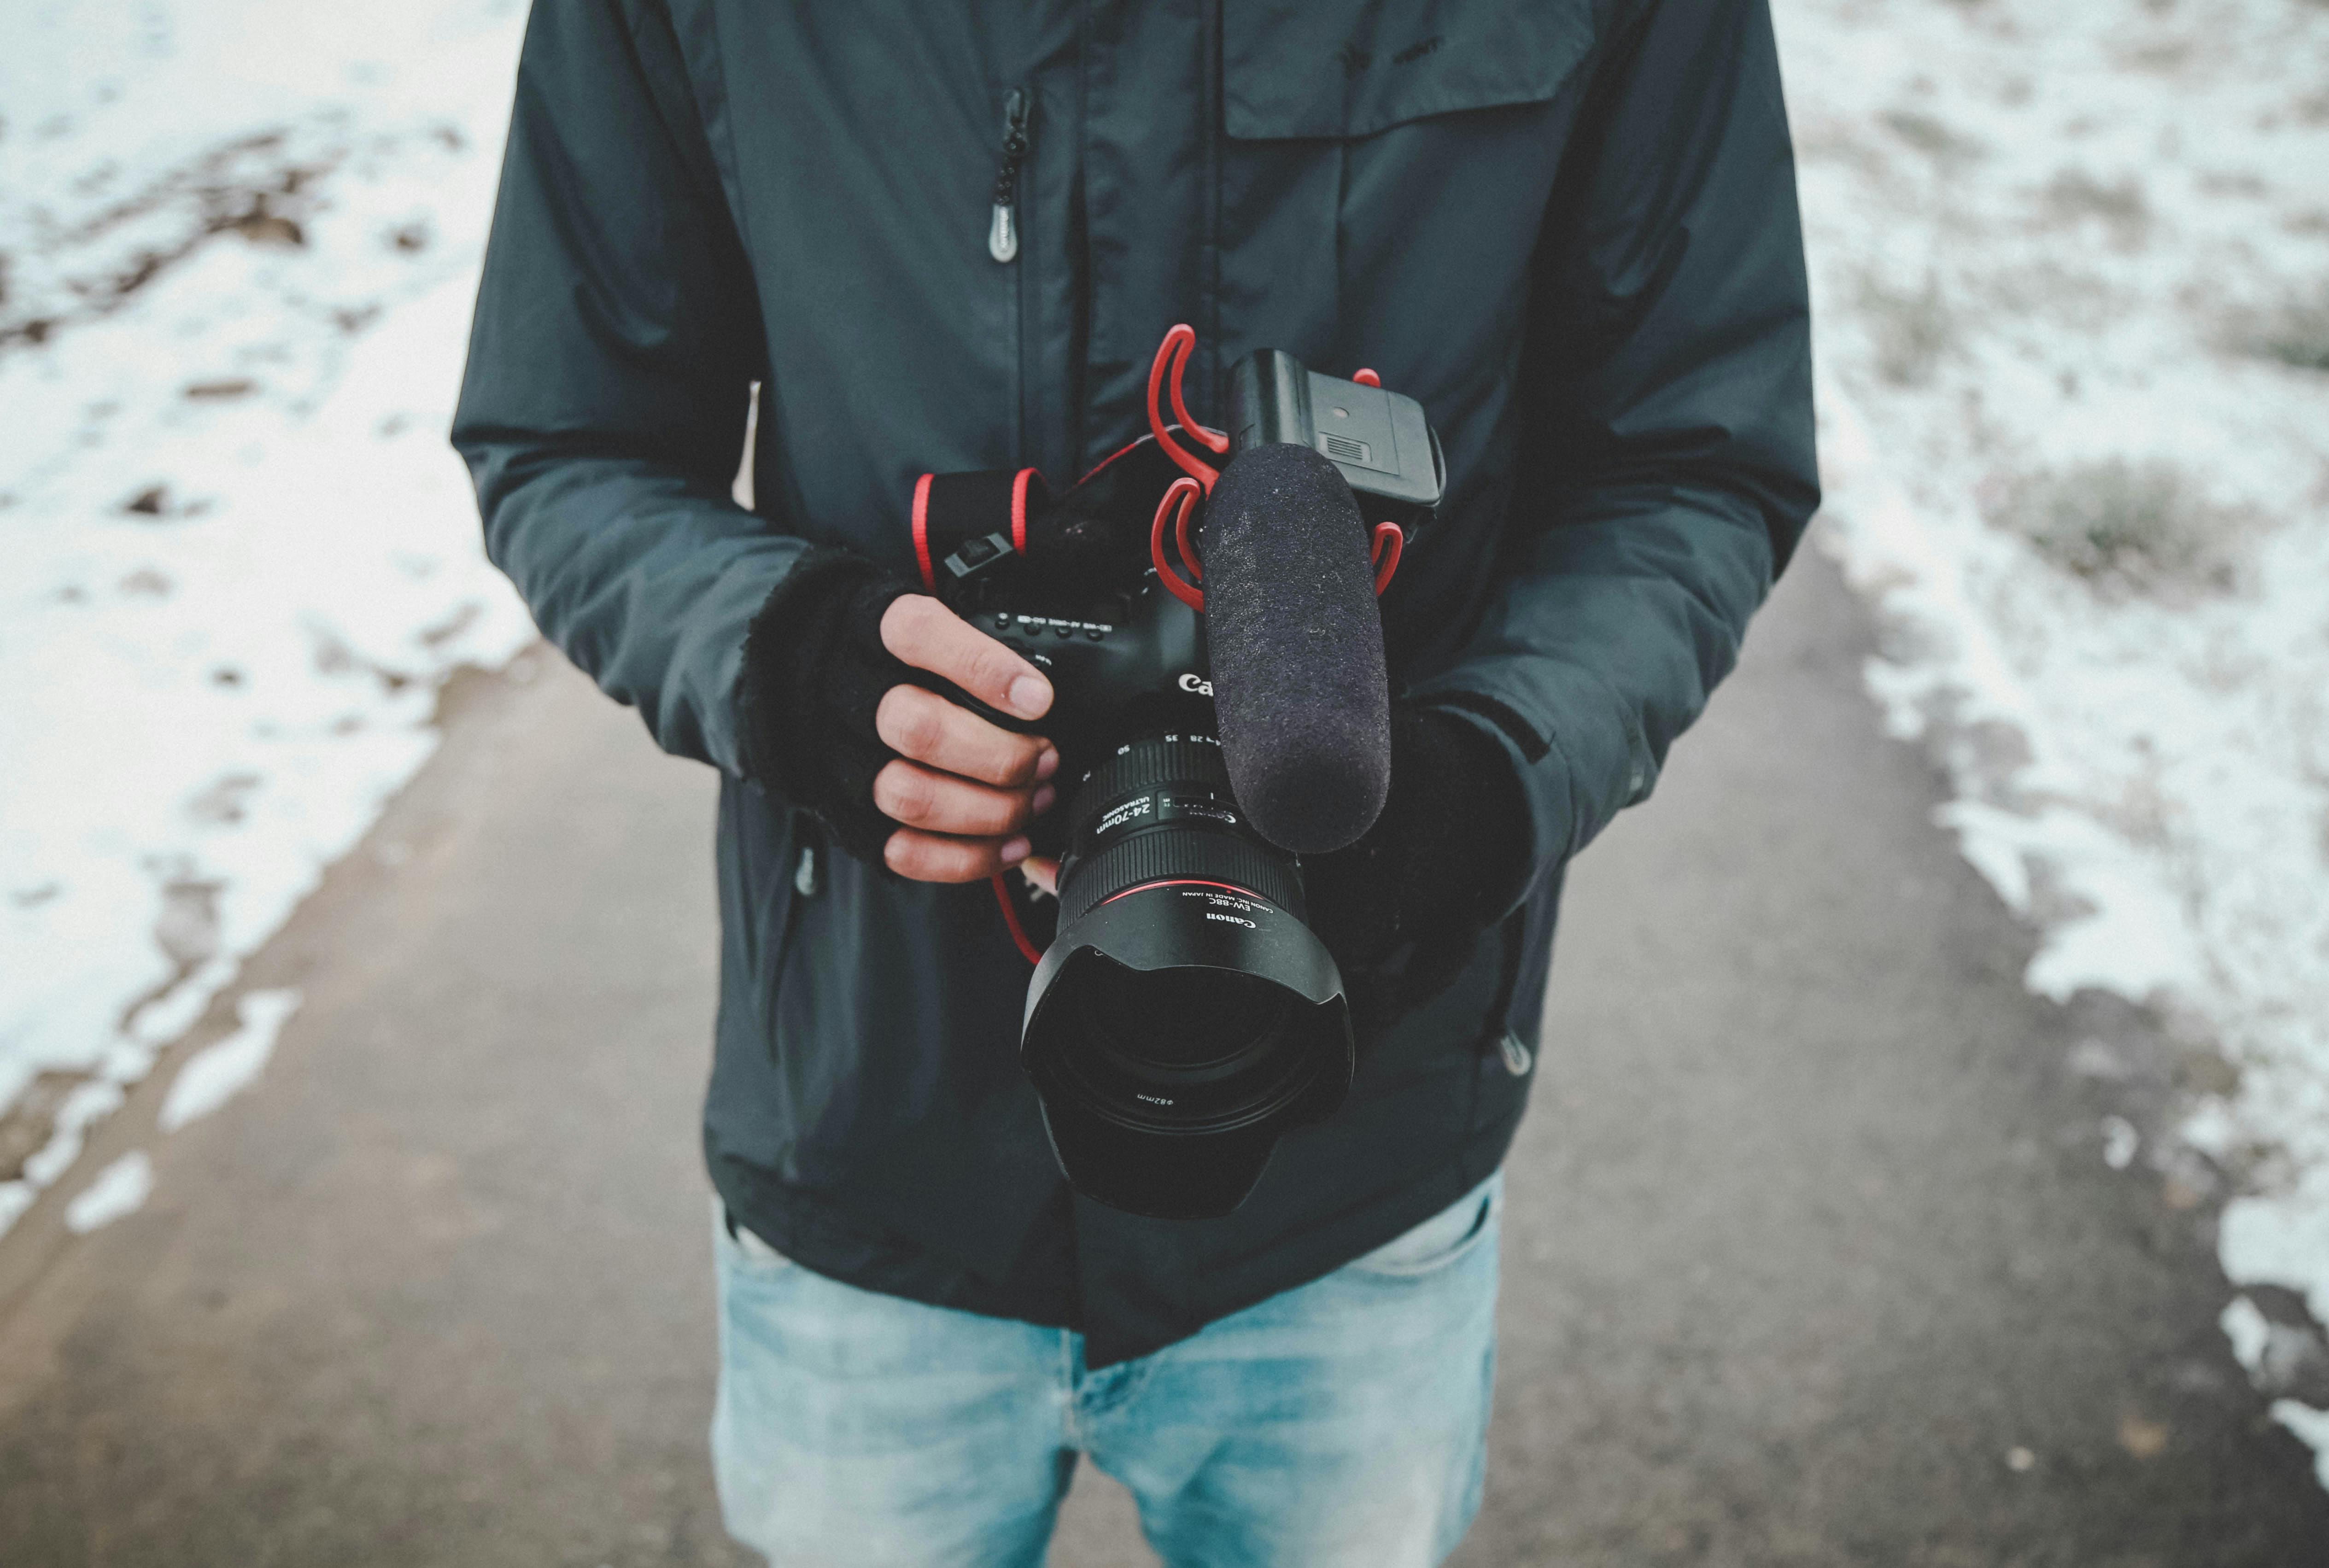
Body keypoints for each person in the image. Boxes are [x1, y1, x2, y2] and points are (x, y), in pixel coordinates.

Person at [453, 1, 1816, 1563]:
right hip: (871, 1126)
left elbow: (1693, 457)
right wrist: (793, 664)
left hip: (1353, 1156)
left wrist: (1486, 784)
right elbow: (563, 435)